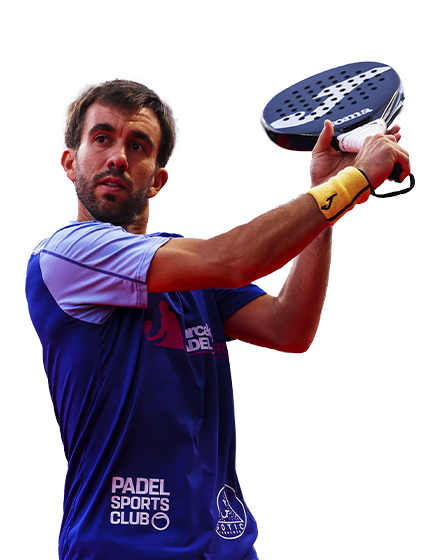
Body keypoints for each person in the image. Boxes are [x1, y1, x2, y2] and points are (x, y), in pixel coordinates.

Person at [25, 78, 411, 560]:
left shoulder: (188, 269)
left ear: (157, 180)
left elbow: (289, 327)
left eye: (138, 145)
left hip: (224, 547)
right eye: (102, 138)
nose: (118, 156)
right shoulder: (64, 255)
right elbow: (235, 260)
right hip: (118, 547)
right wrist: (353, 181)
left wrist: (325, 200)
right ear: (70, 162)